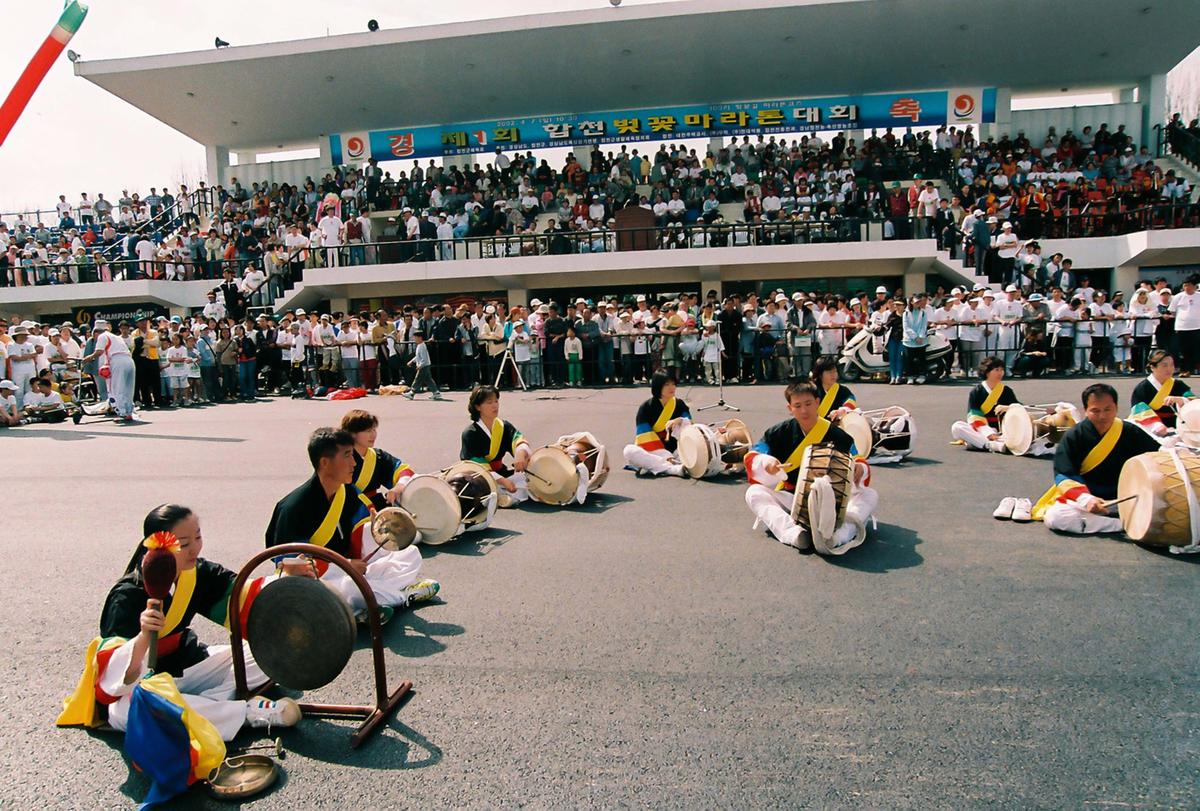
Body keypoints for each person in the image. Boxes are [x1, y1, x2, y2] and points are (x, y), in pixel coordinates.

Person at [57, 504, 301, 740]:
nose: (194, 549)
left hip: (189, 666)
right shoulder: (128, 594)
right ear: (157, 548)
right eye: (184, 544)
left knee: (269, 651)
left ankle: (203, 706)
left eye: (197, 538)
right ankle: (247, 713)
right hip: (146, 685)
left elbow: (244, 596)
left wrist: (286, 579)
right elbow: (111, 674)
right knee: (127, 712)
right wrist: (143, 636)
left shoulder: (197, 572)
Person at [265, 428, 439, 619]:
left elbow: (364, 531)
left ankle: (366, 604)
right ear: (324, 462)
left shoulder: (348, 492)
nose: (354, 463)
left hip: (349, 568)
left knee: (410, 553)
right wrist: (345, 566)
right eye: (347, 455)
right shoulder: (293, 507)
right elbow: (292, 566)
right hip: (319, 580)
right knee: (351, 588)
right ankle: (402, 595)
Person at [742, 380, 877, 554]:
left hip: (833, 502)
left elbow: (857, 458)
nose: (804, 410)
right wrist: (766, 463)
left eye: (808, 404)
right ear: (790, 408)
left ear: (817, 402)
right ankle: (794, 534)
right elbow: (755, 454)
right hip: (793, 499)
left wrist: (858, 468)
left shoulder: (839, 435)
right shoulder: (778, 433)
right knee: (754, 493)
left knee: (869, 495)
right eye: (797, 406)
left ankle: (839, 537)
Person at [1036, 384, 1160, 535]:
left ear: (1116, 407)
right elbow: (1064, 474)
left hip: (1124, 497)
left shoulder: (1131, 431)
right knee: (1055, 517)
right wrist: (1086, 499)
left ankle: (1118, 520)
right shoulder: (1074, 435)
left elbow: (1156, 457)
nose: (1103, 416)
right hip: (1088, 497)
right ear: (1085, 410)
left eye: (1108, 409)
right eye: (1095, 410)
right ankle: (1121, 524)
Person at [460, 384, 532, 504]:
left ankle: (502, 494)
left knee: (530, 481)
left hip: (500, 472)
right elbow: (478, 468)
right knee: (478, 492)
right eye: (489, 402)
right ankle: (499, 496)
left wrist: (520, 453)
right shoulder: (470, 433)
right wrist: (503, 481)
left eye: (496, 401)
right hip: (480, 477)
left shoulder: (503, 426)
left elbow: (518, 440)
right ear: (478, 407)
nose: (495, 405)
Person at [340, 409, 416, 510]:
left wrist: (399, 486)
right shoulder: (338, 459)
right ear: (352, 433)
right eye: (367, 431)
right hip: (349, 510)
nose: (373, 435)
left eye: (374, 430)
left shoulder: (377, 456)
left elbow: (403, 470)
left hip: (375, 505)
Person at [621, 369, 691, 477]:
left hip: (677, 448)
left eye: (673, 384)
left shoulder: (679, 404)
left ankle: (658, 467)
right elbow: (645, 437)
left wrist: (681, 420)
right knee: (629, 451)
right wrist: (666, 455)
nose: (671, 387)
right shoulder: (646, 407)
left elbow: (690, 429)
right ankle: (671, 469)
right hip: (653, 451)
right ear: (658, 386)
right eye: (667, 384)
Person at [949, 356, 1021, 454]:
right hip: (982, 429)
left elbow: (1020, 409)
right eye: (996, 370)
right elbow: (974, 417)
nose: (1000, 373)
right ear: (987, 372)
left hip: (1002, 430)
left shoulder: (1007, 391)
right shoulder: (976, 392)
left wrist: (1009, 408)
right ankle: (991, 444)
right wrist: (988, 433)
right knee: (957, 427)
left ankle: (980, 444)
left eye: (1002, 370)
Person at [80, 320, 136, 422]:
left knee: (116, 388)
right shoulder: (115, 337)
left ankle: (122, 412)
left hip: (117, 361)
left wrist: (88, 358)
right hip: (129, 361)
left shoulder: (102, 336)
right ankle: (129, 412)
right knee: (128, 388)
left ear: (96, 332)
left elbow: (99, 352)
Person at [1129, 350, 1193, 432]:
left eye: (1171, 365)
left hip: (1178, 425)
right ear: (1152, 367)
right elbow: (1139, 412)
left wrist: (1180, 400)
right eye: (1164, 365)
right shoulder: (1143, 388)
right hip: (1152, 428)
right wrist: (1157, 427)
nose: (1169, 369)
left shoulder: (1179, 385)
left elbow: (1194, 403)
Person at [810, 355, 857, 420]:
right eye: (829, 372)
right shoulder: (811, 389)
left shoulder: (842, 390)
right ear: (820, 374)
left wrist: (842, 410)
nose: (833, 375)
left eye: (835, 371)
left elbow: (851, 400)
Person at [403, 329, 443, 400]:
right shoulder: (420, 346)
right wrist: (412, 361)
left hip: (424, 366)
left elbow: (424, 359)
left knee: (417, 379)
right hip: (425, 365)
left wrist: (420, 365)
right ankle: (436, 392)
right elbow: (418, 356)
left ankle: (412, 392)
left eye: (415, 337)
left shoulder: (422, 346)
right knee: (428, 380)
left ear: (420, 337)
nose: (414, 339)